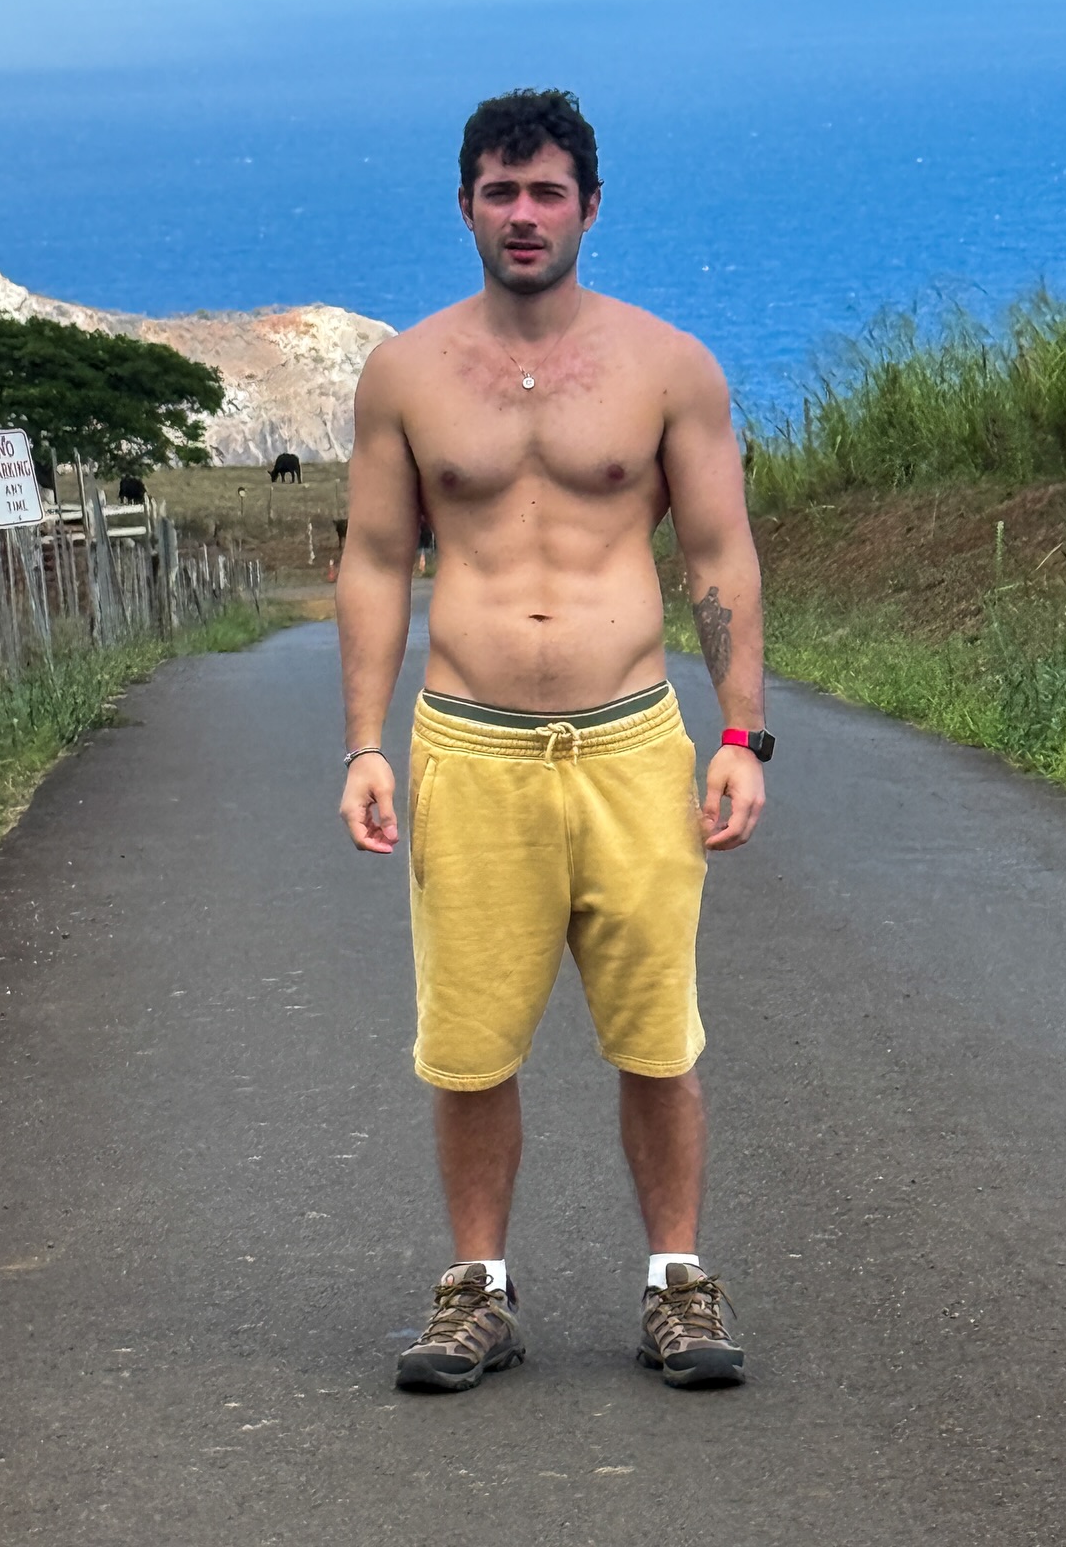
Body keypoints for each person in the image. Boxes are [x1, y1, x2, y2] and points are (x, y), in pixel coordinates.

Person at [336, 88, 771, 1392]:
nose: (522, 214)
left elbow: (719, 554)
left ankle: (676, 1285)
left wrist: (740, 731)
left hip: (630, 744)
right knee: (470, 1044)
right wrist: (364, 744)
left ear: (589, 205)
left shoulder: (668, 367)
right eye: (499, 192)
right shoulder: (407, 374)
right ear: (466, 206)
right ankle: (478, 1291)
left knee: (657, 1036)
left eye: (545, 192)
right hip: (471, 749)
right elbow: (374, 559)